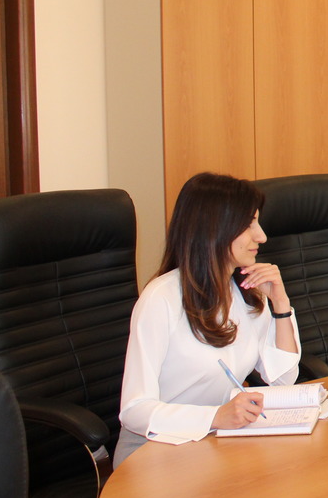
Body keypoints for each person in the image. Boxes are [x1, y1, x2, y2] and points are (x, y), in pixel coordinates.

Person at [116, 172, 301, 465]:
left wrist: (281, 304)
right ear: (215, 228)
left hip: (216, 441)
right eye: (249, 224)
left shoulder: (247, 292)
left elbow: (283, 379)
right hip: (156, 448)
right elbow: (134, 410)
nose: (262, 236)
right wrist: (216, 416)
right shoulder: (161, 299)